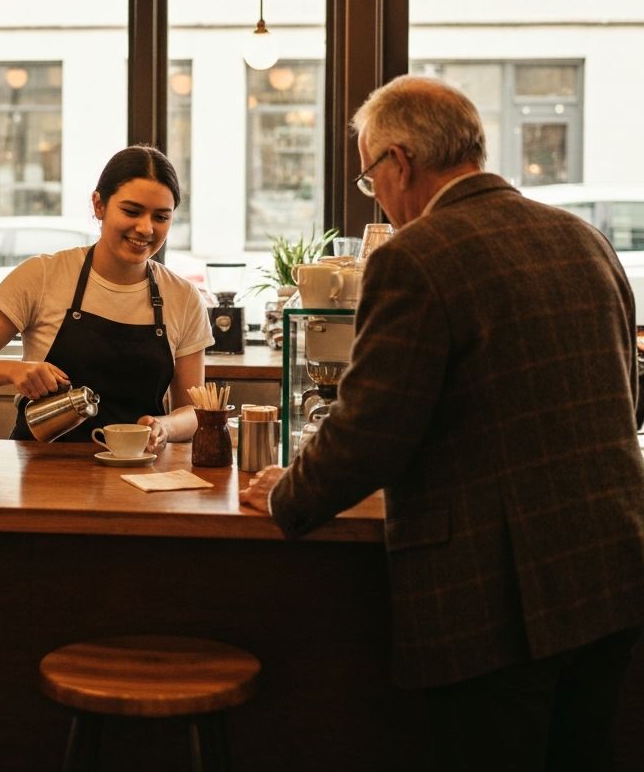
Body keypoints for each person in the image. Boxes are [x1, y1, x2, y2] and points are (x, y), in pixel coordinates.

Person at [241, 74, 644, 771]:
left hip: (497, 596)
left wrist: (284, 494)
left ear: (400, 162)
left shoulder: (415, 257)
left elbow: (369, 434)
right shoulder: (585, 239)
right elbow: (625, 399)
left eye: (371, 178)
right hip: (612, 571)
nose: (379, 198)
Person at [0, 145, 212, 449]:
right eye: (131, 211)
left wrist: (166, 426)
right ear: (99, 205)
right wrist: (14, 370)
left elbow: (193, 411)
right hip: (44, 472)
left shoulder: (183, 297)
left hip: (139, 474)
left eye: (161, 217)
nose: (146, 228)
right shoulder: (42, 275)